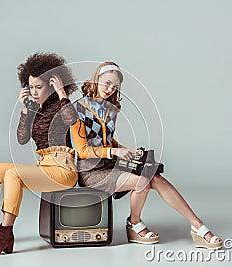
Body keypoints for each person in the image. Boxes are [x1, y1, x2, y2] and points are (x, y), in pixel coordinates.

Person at [70, 62, 223, 249]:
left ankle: (197, 226)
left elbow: (108, 141)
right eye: (107, 83)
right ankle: (134, 223)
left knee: (154, 176)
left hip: (110, 164)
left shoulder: (111, 109)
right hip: (90, 172)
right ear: (96, 79)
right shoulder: (76, 110)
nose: (110, 89)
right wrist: (116, 152)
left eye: (115, 86)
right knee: (142, 181)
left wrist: (128, 151)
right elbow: (83, 151)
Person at [0, 52, 79, 256]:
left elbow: (73, 120)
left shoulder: (60, 106)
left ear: (51, 86)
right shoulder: (36, 109)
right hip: (45, 166)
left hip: (63, 170)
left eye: (39, 87)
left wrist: (63, 94)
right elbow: (22, 139)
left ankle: (5, 233)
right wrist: (25, 111)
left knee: (13, 174)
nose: (34, 92)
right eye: (31, 87)